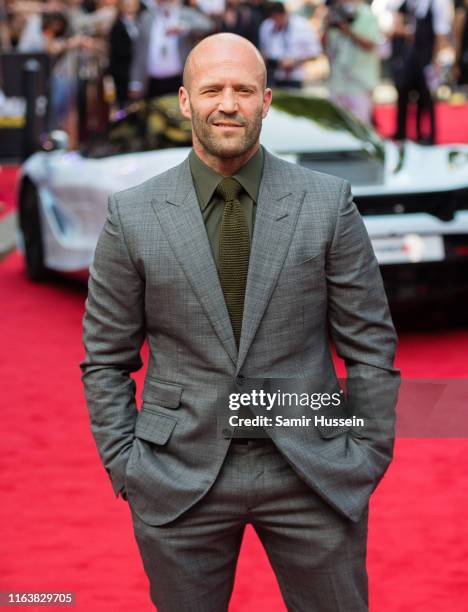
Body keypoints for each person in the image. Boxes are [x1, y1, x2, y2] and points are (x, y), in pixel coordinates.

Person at [81, 32, 400, 611]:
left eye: (243, 90)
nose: (228, 103)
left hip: (313, 470)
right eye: (212, 89)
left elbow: (371, 343)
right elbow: (105, 358)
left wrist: (367, 454)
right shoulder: (132, 216)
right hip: (177, 474)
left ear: (266, 101)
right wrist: (128, 465)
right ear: (185, 101)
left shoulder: (327, 203)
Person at [389, 0, 453, 144]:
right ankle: (402, 133)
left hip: (427, 57)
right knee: (404, 92)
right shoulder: (407, 3)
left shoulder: (437, 3)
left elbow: (441, 34)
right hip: (409, 57)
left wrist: (436, 60)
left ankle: (429, 135)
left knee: (427, 97)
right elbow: (397, 23)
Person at [129, 0, 214, 99]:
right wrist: (135, 82)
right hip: (152, 82)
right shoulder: (146, 18)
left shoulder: (185, 13)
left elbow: (208, 25)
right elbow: (139, 53)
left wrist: (184, 28)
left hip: (179, 79)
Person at [324, 0, 381, 125]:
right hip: (338, 82)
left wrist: (349, 31)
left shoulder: (367, 15)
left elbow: (370, 44)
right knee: (336, 125)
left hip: (359, 82)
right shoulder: (335, 15)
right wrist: (327, 24)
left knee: (360, 125)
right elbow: (326, 48)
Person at [259, 1, 321, 88]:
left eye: (278, 17)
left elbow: (315, 53)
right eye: (273, 18)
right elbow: (263, 51)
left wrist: (295, 62)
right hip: (273, 75)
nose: (276, 21)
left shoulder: (302, 26)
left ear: (284, 14)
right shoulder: (267, 26)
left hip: (296, 77)